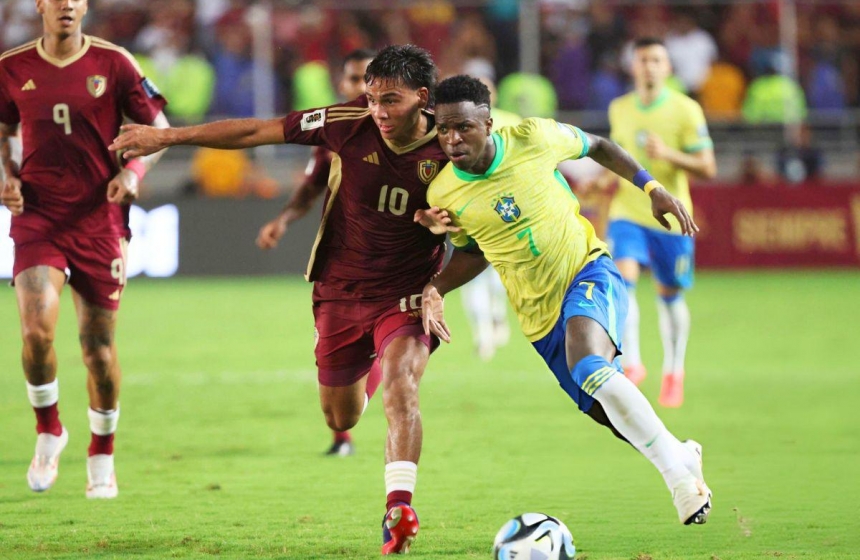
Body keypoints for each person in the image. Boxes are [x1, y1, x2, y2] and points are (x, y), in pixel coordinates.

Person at [110, 44, 448, 555]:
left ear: (423, 98)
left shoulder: (452, 145)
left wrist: (448, 251)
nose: (378, 111)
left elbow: (487, 212)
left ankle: (398, 509)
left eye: (391, 101)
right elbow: (255, 131)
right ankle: (374, 361)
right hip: (339, 287)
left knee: (403, 388)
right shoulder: (345, 122)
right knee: (342, 418)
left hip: (407, 292)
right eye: (372, 97)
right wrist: (167, 136)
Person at [418, 75, 712, 526]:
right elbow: (476, 250)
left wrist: (652, 188)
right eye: (443, 130)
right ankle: (680, 452)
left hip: (587, 269)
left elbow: (597, 145)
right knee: (605, 410)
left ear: (489, 122)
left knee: (590, 365)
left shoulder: (533, 137)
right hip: (538, 317)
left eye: (464, 127)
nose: (453, 139)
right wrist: (435, 288)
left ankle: (677, 480)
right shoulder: (443, 192)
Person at [0, 0, 169, 499]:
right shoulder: (12, 68)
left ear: (86, 6)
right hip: (39, 215)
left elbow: (159, 132)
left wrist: (132, 172)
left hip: (99, 218)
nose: (67, 5)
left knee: (97, 350)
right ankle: (49, 428)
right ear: (41, 6)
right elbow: (3, 131)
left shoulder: (114, 63)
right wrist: (5, 177)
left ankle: (102, 452)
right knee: (35, 328)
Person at [257, 48, 376, 457]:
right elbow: (310, 188)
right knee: (337, 363)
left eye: (368, 79)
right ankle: (344, 429)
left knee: (392, 350)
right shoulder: (333, 132)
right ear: (342, 84)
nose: (360, 87)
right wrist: (284, 220)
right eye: (354, 79)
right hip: (341, 264)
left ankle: (377, 454)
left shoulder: (403, 130)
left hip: (392, 264)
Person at [601, 37, 716, 407]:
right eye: (643, 60)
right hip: (627, 213)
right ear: (633, 67)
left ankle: (673, 370)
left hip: (672, 217)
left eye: (656, 60)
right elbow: (621, 161)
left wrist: (668, 154)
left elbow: (708, 167)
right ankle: (632, 363)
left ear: (667, 68)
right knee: (621, 281)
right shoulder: (619, 108)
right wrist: (598, 182)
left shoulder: (685, 110)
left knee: (669, 297)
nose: (649, 66)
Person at [458, 76, 519, 362]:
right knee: (471, 274)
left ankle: (496, 315)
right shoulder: (454, 128)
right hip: (470, 207)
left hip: (507, 209)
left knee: (499, 276)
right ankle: (483, 333)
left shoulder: (511, 121)